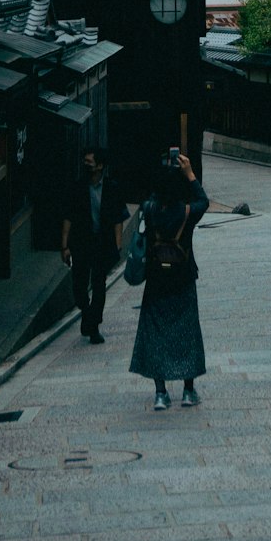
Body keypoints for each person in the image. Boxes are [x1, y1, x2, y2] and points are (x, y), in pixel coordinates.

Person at [130, 150, 208, 411]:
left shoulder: (149, 209)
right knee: (187, 333)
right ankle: (188, 391)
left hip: (156, 281)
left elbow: (149, 201)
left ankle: (161, 394)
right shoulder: (188, 212)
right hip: (183, 278)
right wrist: (189, 175)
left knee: (156, 335)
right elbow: (203, 200)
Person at [61, 146, 127, 343]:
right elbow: (68, 217)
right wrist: (64, 246)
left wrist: (117, 245)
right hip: (81, 243)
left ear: (100, 166)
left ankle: (93, 325)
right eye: (85, 161)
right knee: (79, 287)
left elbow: (118, 218)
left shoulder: (112, 188)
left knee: (99, 285)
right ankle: (86, 311)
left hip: (103, 243)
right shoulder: (77, 187)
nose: (86, 165)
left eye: (89, 162)